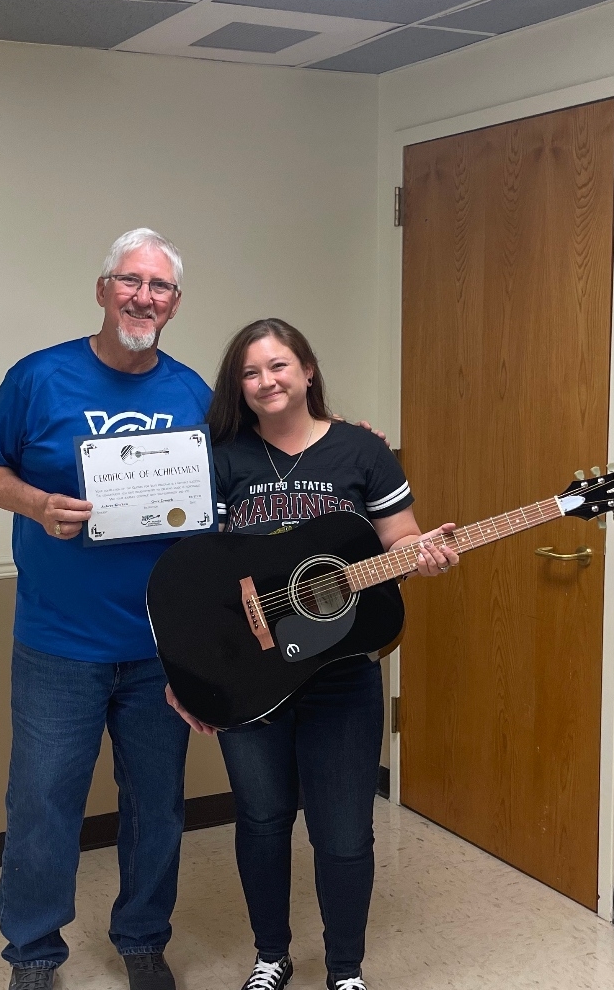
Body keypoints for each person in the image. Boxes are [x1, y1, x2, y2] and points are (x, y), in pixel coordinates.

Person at [167, 318, 459, 990]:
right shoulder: (223, 456)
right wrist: (186, 671)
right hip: (246, 676)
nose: (266, 380)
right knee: (264, 819)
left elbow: (399, 537)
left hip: (341, 675)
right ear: (238, 385)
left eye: (278, 365)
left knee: (345, 832)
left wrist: (423, 555)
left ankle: (345, 970)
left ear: (307, 371)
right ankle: (271, 955)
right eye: (249, 371)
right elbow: (192, 576)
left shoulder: (363, 449)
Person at [0, 229, 212, 990]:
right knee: (42, 802)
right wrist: (38, 504)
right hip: (57, 642)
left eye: (160, 287)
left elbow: (242, 477)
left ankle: (142, 935)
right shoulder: (38, 378)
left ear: (174, 304)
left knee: (157, 806)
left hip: (160, 644)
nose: (144, 297)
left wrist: (350, 440)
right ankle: (34, 953)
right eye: (131, 281)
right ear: (103, 289)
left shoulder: (193, 392)